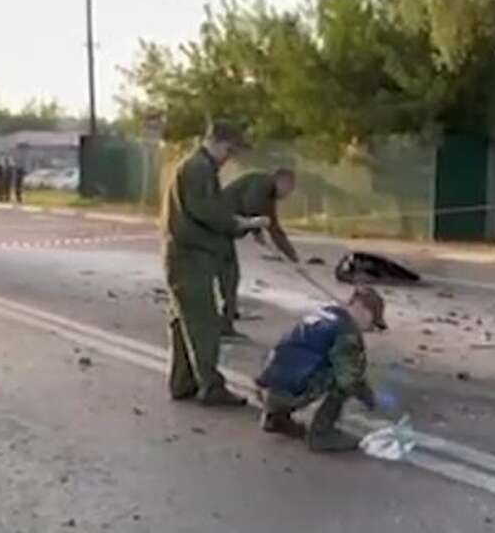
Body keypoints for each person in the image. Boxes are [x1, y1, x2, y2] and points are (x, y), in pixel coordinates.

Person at [161, 121, 272, 407]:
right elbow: (208, 212)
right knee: (203, 323)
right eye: (230, 150)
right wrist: (242, 223)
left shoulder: (197, 167)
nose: (230, 157)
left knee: (184, 321)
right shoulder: (198, 169)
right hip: (190, 257)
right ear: (220, 143)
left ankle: (183, 381)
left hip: (186, 255)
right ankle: (211, 386)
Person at [256, 286, 388, 453]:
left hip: (267, 385)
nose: (369, 329)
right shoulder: (346, 333)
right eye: (372, 323)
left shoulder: (322, 314)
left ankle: (274, 417)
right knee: (345, 380)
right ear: (365, 312)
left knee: (309, 362)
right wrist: (366, 396)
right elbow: (348, 379)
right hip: (290, 393)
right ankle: (321, 434)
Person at [216, 167, 299, 338]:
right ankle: (221, 322)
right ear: (282, 181)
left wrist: (293, 258)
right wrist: (257, 230)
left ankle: (226, 320)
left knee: (230, 277)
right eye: (289, 189)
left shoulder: (268, 194)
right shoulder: (261, 184)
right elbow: (251, 206)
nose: (288, 194)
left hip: (224, 233)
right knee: (227, 276)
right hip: (217, 230)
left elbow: (274, 228)